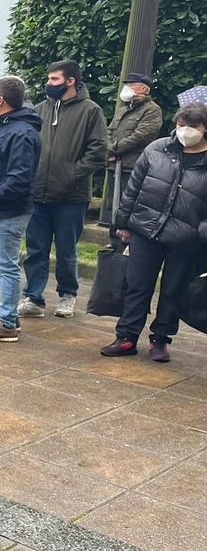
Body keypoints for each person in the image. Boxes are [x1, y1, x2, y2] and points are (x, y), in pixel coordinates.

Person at [101, 103, 207, 362]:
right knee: (137, 285)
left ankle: (161, 339)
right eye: (181, 125)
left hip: (186, 238)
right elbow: (133, 188)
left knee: (173, 289)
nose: (185, 131)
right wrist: (122, 223)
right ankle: (126, 336)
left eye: (192, 126)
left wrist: (201, 232)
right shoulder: (157, 149)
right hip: (146, 229)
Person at [19, 60, 107, 319]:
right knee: (36, 249)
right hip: (38, 193)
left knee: (67, 249)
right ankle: (33, 298)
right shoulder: (39, 110)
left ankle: (67, 295)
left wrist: (72, 174)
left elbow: (98, 150)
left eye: (55, 79)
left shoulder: (91, 111)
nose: (49, 83)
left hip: (72, 196)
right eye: (48, 79)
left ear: (71, 81)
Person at [0, 76, 42, 342]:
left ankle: (8, 323)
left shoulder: (21, 131)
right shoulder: (8, 128)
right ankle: (5, 316)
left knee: (6, 265)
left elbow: (19, 177)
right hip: (1, 208)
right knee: (1, 263)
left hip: (8, 209)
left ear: (0, 100)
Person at [100, 72, 163, 223]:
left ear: (142, 88)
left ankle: (125, 243)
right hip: (114, 165)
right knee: (113, 204)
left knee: (128, 204)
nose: (126, 88)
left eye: (130, 85)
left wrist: (113, 149)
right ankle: (113, 241)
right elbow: (108, 131)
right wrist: (108, 149)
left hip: (132, 166)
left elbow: (140, 136)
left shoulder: (152, 110)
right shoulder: (123, 110)